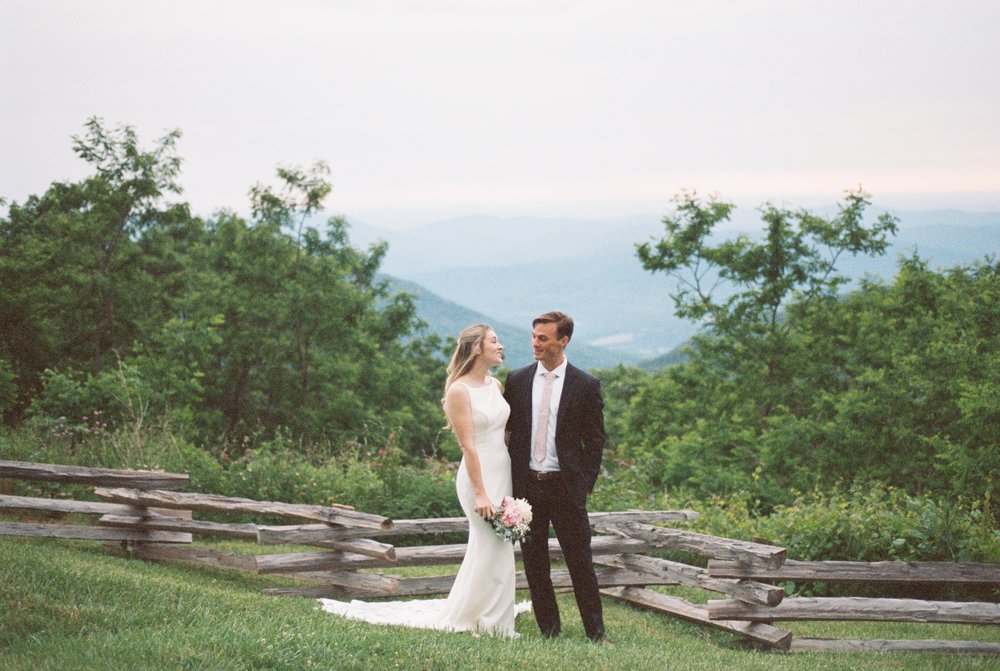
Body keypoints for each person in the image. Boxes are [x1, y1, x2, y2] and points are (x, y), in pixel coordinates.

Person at [318, 324, 528, 637]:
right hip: (477, 476)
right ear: (476, 349)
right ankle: (493, 624)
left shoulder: (495, 385)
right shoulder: (458, 390)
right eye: (494, 341)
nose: (501, 346)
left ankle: (487, 614)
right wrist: (481, 494)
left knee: (498, 545)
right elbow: (468, 446)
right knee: (491, 543)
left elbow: (505, 432)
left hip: (502, 470)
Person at [503, 311, 608, 642]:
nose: (535, 343)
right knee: (535, 565)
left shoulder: (586, 385)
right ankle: (549, 630)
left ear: (563, 341)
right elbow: (508, 432)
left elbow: (595, 440)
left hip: (566, 488)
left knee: (580, 564)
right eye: (534, 336)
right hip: (527, 488)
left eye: (543, 338)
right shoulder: (516, 380)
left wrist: (583, 486)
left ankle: (596, 633)